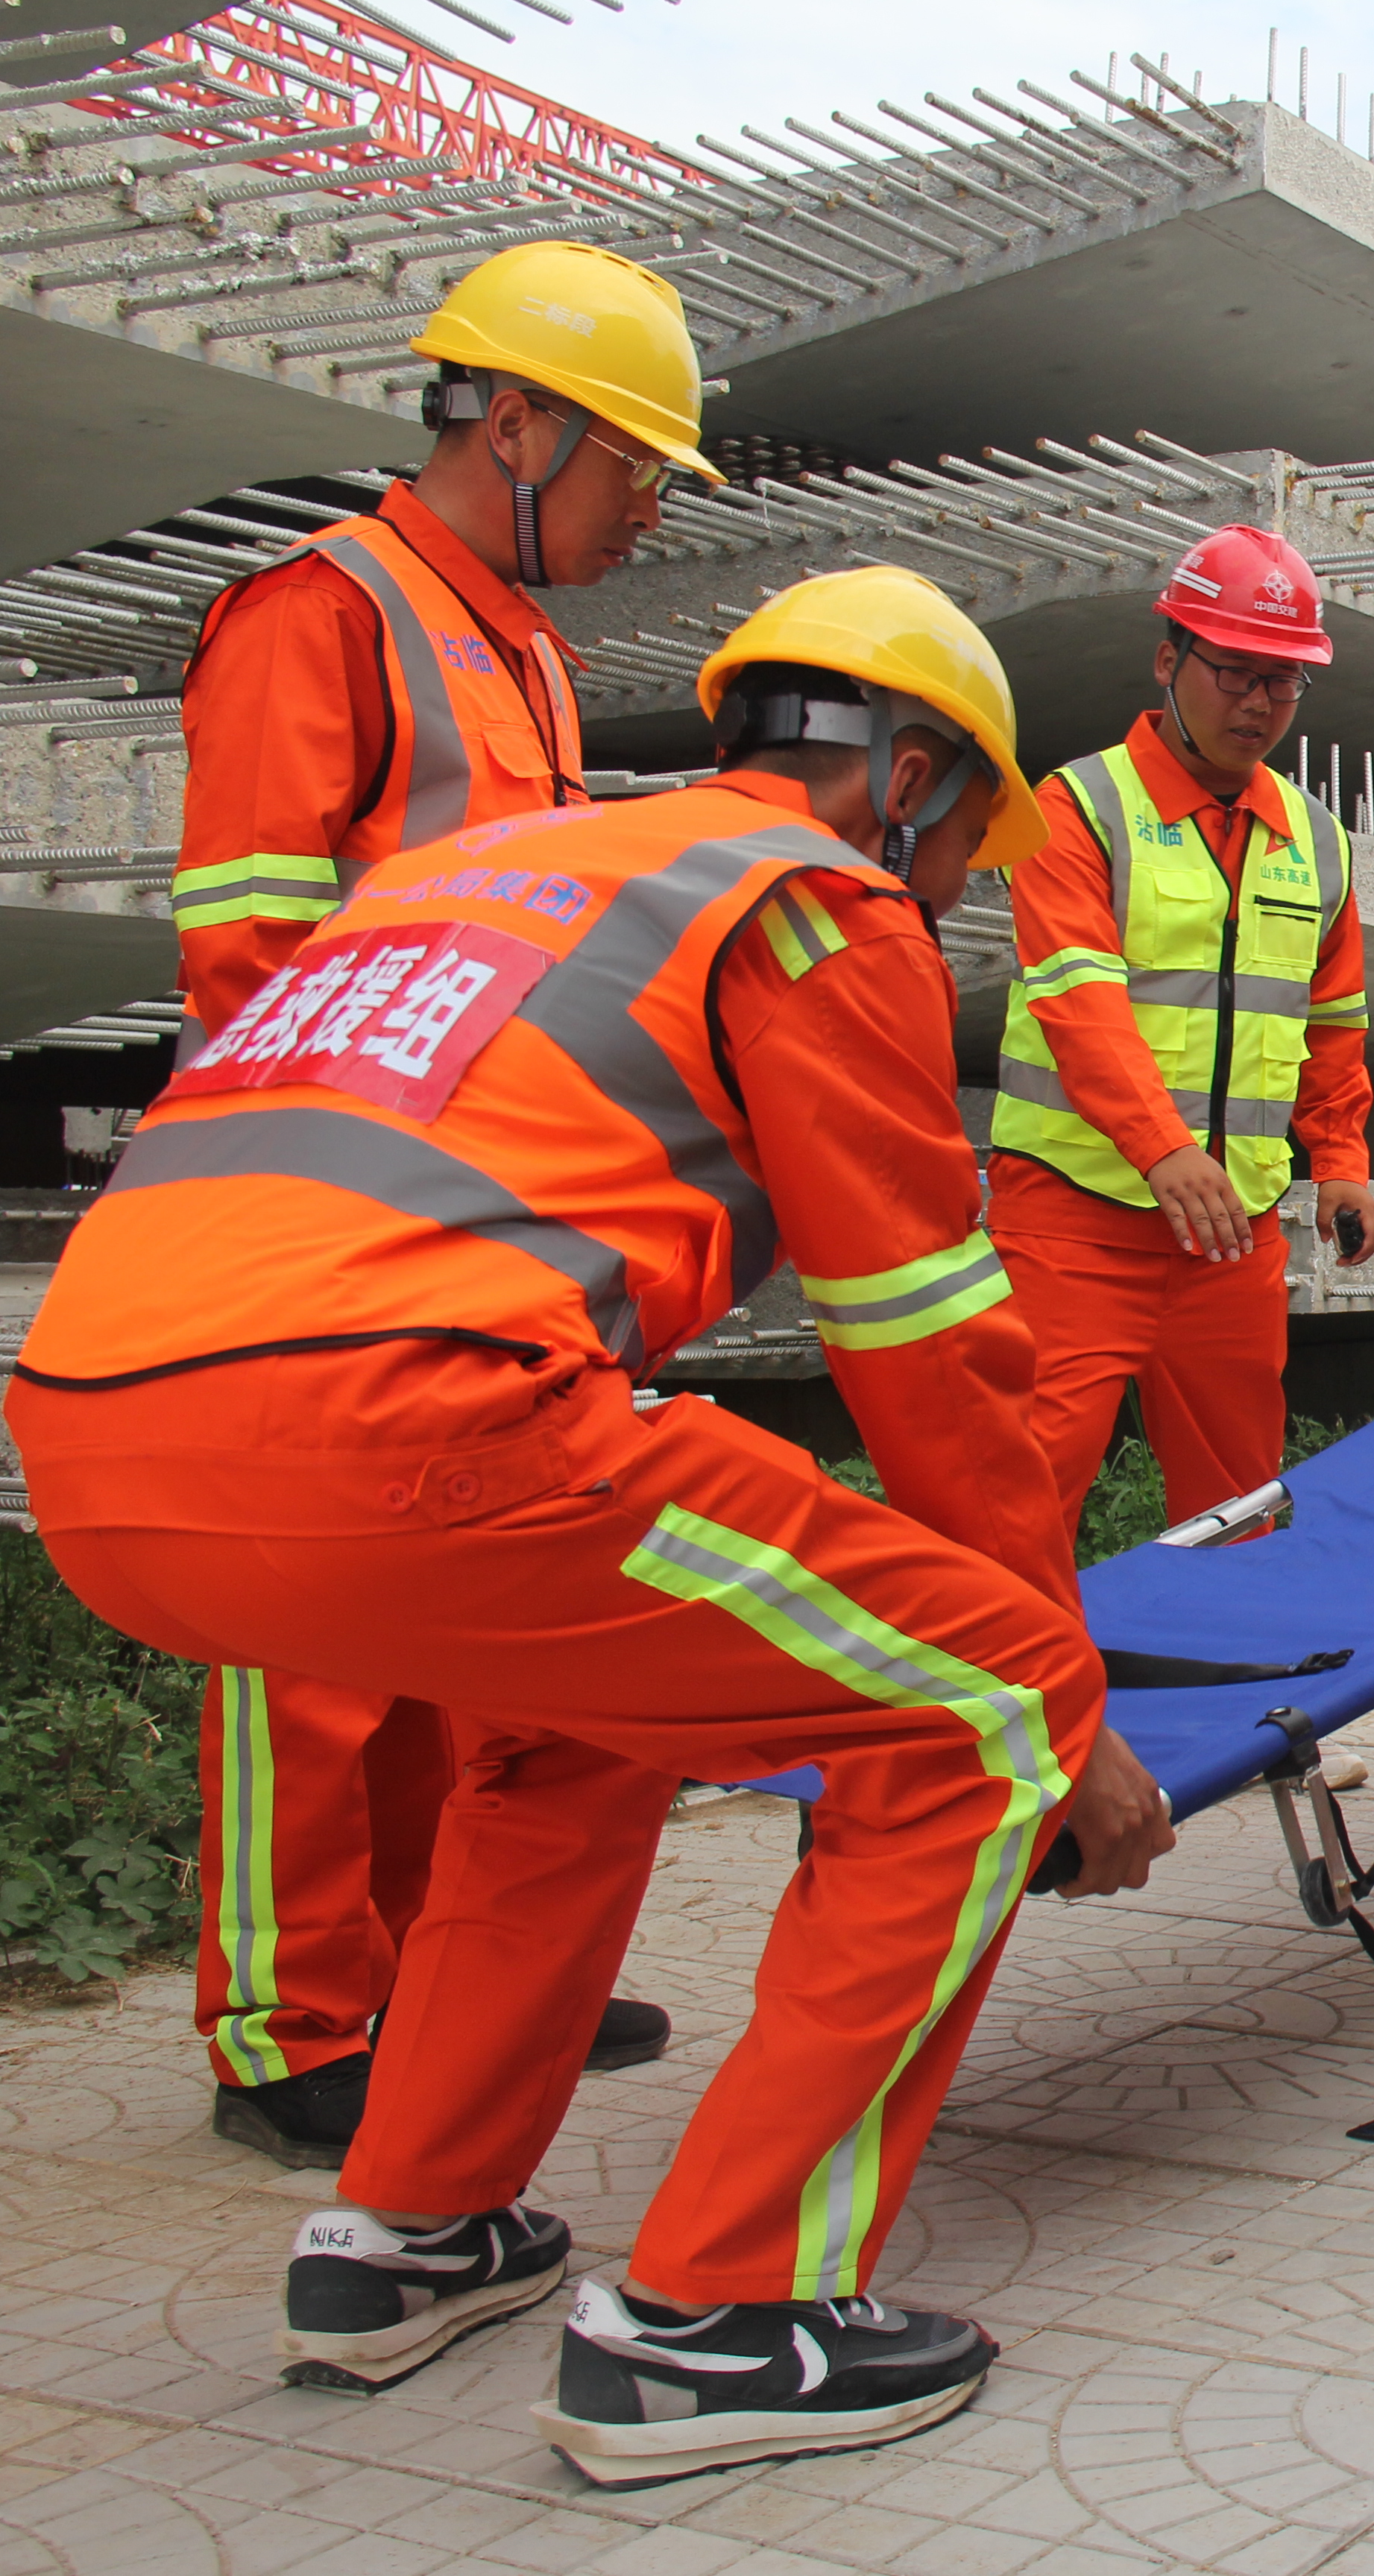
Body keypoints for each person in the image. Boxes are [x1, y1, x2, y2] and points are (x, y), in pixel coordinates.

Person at [6, 569, 1177, 2484]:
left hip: (97, 1434)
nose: (955, 890)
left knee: (571, 1720)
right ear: (898, 773)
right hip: (398, 1416)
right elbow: (934, 1362)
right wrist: (1069, 1718)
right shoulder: (810, 901)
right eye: (965, 836)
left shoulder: (489, 871)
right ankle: (727, 2314)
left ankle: (406, 2231)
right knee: (990, 1696)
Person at [163, 239, 715, 2168]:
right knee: (308, 1642)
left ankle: (420, 1982)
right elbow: (246, 953)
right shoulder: (323, 615)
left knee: (443, 1628)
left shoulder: (529, 653)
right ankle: (286, 2023)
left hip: (470, 1224)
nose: (649, 507)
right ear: (518, 421)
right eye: (636, 464)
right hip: (315, 1217)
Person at [989, 526, 1374, 1551]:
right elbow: (1079, 1003)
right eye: (1237, 674)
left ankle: (1228, 1698)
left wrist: (1339, 1161)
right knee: (1023, 1489)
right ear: (1169, 660)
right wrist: (1162, 1147)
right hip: (1076, 1221)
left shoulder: (1317, 840)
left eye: (1285, 684)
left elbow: (1332, 1023)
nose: (1259, 705)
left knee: (1239, 1504)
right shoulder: (1078, 809)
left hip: (1231, 1236)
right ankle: (1015, 1707)